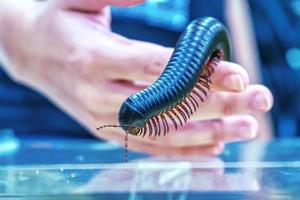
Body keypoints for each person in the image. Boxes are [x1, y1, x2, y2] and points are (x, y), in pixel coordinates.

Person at [0, 0, 273, 155]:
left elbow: (239, 79)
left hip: (189, 158)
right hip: (24, 141)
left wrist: (258, 153)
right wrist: (15, 33)